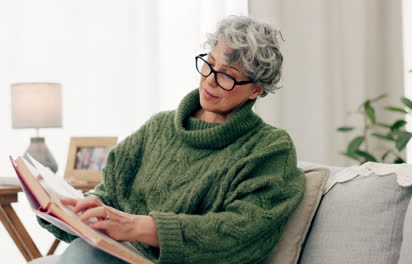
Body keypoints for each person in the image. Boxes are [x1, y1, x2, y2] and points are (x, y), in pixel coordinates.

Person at [38, 15, 305, 264]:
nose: (210, 81)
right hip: (113, 253)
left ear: (256, 90)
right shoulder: (158, 128)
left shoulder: (269, 149)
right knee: (83, 251)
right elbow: (111, 196)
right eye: (209, 64)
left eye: (226, 76)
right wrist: (71, 210)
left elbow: (242, 232)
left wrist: (141, 227)